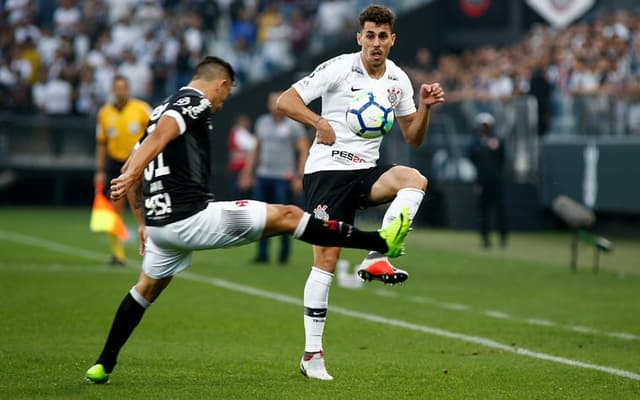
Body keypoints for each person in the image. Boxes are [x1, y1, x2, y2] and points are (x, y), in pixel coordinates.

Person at [84, 56, 411, 384]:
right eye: (225, 97)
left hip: (160, 227)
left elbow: (133, 157)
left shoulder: (156, 109)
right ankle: (377, 242)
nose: (222, 105)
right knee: (288, 215)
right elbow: (157, 141)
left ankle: (103, 364)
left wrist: (141, 221)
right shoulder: (192, 101)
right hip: (192, 218)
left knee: (145, 289)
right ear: (221, 84)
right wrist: (134, 174)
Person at [276, 5, 445, 380]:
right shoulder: (338, 67)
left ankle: (374, 257)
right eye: (370, 35)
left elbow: (412, 138)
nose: (376, 43)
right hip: (327, 173)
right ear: (359, 38)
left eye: (383, 36)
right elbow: (285, 101)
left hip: (365, 172)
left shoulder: (398, 80)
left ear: (392, 40)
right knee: (327, 259)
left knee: (414, 179)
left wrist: (426, 109)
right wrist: (318, 121)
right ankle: (311, 356)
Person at [240, 91, 310, 265]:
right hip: (263, 175)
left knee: (285, 217)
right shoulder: (262, 122)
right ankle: (262, 254)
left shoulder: (294, 125)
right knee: (261, 217)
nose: (275, 106)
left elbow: (303, 150)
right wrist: (247, 173)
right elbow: (255, 149)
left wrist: (299, 176)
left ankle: (283, 256)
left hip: (283, 177)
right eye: (272, 102)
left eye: (278, 102)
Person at [95, 75, 151, 266]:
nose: (120, 92)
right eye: (117, 88)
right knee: (114, 208)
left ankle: (152, 247)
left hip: (139, 163)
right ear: (113, 90)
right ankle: (117, 254)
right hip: (114, 163)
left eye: (123, 88)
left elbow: (155, 133)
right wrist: (100, 169)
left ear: (129, 90)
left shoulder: (142, 109)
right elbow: (102, 143)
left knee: (144, 205)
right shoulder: (104, 113)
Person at [467, 112, 508, 249]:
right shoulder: (476, 142)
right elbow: (471, 154)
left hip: (496, 181)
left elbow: (503, 159)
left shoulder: (498, 140)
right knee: (483, 212)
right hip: (482, 181)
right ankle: (485, 239)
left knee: (500, 210)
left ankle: (503, 238)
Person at [226, 114, 256, 199]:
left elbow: (252, 147)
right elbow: (253, 145)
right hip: (239, 170)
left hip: (241, 170)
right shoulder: (239, 132)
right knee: (238, 195)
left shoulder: (239, 133)